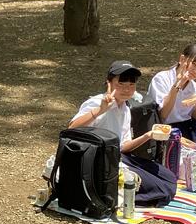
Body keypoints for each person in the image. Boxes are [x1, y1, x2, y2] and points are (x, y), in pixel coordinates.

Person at [69, 61, 177, 207]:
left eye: (131, 85)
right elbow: (71, 129)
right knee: (162, 189)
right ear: (109, 83)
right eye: (121, 84)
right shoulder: (97, 102)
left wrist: (149, 135)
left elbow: (124, 146)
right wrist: (100, 110)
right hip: (98, 161)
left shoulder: (125, 108)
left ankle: (123, 191)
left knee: (169, 178)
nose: (126, 89)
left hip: (119, 157)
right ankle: (110, 196)